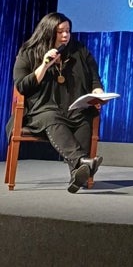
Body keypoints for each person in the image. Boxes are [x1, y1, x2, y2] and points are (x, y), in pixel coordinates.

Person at [11, 11, 106, 193]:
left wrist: (97, 92)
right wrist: (45, 65)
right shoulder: (28, 52)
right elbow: (22, 86)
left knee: (84, 117)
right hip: (41, 109)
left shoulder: (79, 51)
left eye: (68, 31)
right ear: (48, 32)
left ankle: (77, 173)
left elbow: (94, 78)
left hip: (72, 107)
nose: (65, 35)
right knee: (52, 117)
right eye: (60, 31)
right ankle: (82, 162)